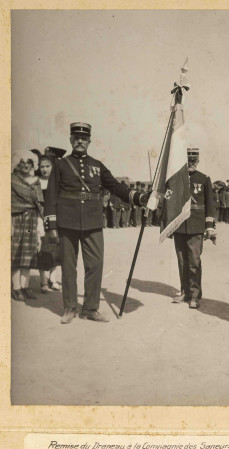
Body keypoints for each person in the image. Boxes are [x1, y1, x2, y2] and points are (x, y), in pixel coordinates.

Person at [44, 122, 148, 324]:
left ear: (89, 141)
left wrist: (139, 198)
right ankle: (70, 307)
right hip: (67, 221)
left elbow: (116, 187)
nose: (80, 141)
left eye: (84, 139)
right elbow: (50, 196)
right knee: (68, 266)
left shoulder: (97, 165)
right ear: (71, 140)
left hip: (92, 221)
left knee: (95, 265)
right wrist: (51, 225)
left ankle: (90, 308)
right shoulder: (61, 165)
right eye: (76, 138)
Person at [172, 148, 216, 308]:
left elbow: (210, 204)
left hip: (196, 225)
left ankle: (195, 295)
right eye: (188, 161)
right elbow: (170, 201)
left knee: (194, 262)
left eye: (194, 161)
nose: (191, 164)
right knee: (182, 261)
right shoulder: (176, 179)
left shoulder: (204, 179)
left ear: (197, 161)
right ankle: (185, 292)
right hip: (179, 226)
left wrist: (209, 227)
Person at [11, 150, 43, 301]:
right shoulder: (12, 179)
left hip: (32, 219)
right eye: (22, 162)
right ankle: (16, 288)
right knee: (16, 253)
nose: (25, 165)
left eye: (28, 162)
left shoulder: (36, 181)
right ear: (18, 164)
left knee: (28, 254)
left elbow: (39, 203)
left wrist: (41, 225)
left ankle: (25, 286)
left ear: (32, 165)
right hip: (15, 218)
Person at [35, 147, 66, 293]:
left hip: (54, 219)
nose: (45, 169)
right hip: (39, 220)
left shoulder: (57, 183)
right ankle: (43, 281)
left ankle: (53, 279)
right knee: (42, 249)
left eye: (48, 166)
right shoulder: (36, 183)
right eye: (42, 167)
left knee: (54, 248)